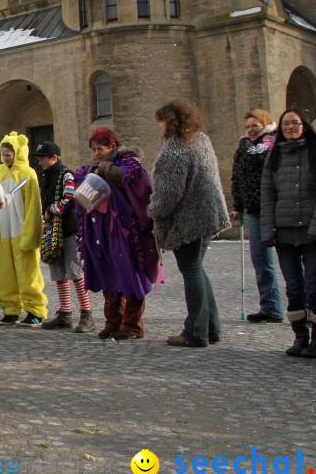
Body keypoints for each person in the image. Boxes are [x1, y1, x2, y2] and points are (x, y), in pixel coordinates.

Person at [148, 99, 231, 348]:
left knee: (192, 271)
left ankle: (196, 331)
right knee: (197, 269)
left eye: (161, 121)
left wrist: (153, 211)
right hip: (208, 214)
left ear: (171, 121)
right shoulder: (200, 140)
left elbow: (169, 193)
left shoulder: (176, 149)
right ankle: (211, 327)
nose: (159, 127)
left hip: (190, 220)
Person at [73, 127, 160, 341]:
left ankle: (132, 325)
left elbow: (136, 184)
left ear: (112, 146)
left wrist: (106, 171)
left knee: (129, 272)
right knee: (109, 273)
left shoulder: (129, 165)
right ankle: (113, 321)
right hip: (101, 230)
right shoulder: (95, 167)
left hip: (124, 230)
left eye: (100, 149)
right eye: (93, 150)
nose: (96, 154)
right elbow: (80, 185)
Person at [261, 109, 316, 358]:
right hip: (284, 231)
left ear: (304, 125)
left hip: (311, 230)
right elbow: (268, 194)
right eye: (286, 124)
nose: (290, 127)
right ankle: (300, 336)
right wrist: (268, 229)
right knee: (293, 286)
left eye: (295, 123)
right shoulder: (274, 157)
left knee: (313, 284)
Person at [33, 142, 95, 333]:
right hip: (54, 231)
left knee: (75, 272)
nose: (40, 161)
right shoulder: (48, 177)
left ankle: (87, 314)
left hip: (69, 230)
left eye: (44, 157)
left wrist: (51, 210)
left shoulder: (65, 174)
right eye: (40, 158)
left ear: (55, 158)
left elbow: (69, 198)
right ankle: (65, 313)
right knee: (58, 272)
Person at [230, 109, 284, 323]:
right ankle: (270, 307)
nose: (251, 129)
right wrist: (238, 205)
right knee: (260, 260)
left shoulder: (273, 145)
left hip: (276, 209)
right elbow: (238, 177)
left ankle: (305, 308)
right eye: (249, 126)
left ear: (266, 125)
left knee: (290, 260)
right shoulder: (243, 147)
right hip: (254, 211)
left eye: (256, 125)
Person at [0, 132, 47, 327]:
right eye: (4, 154)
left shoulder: (28, 174)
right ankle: (10, 309)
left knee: (27, 272)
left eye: (9, 154)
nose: (6, 158)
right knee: (4, 272)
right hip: (4, 231)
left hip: (21, 229)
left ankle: (34, 309)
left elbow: (33, 205)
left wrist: (31, 233)